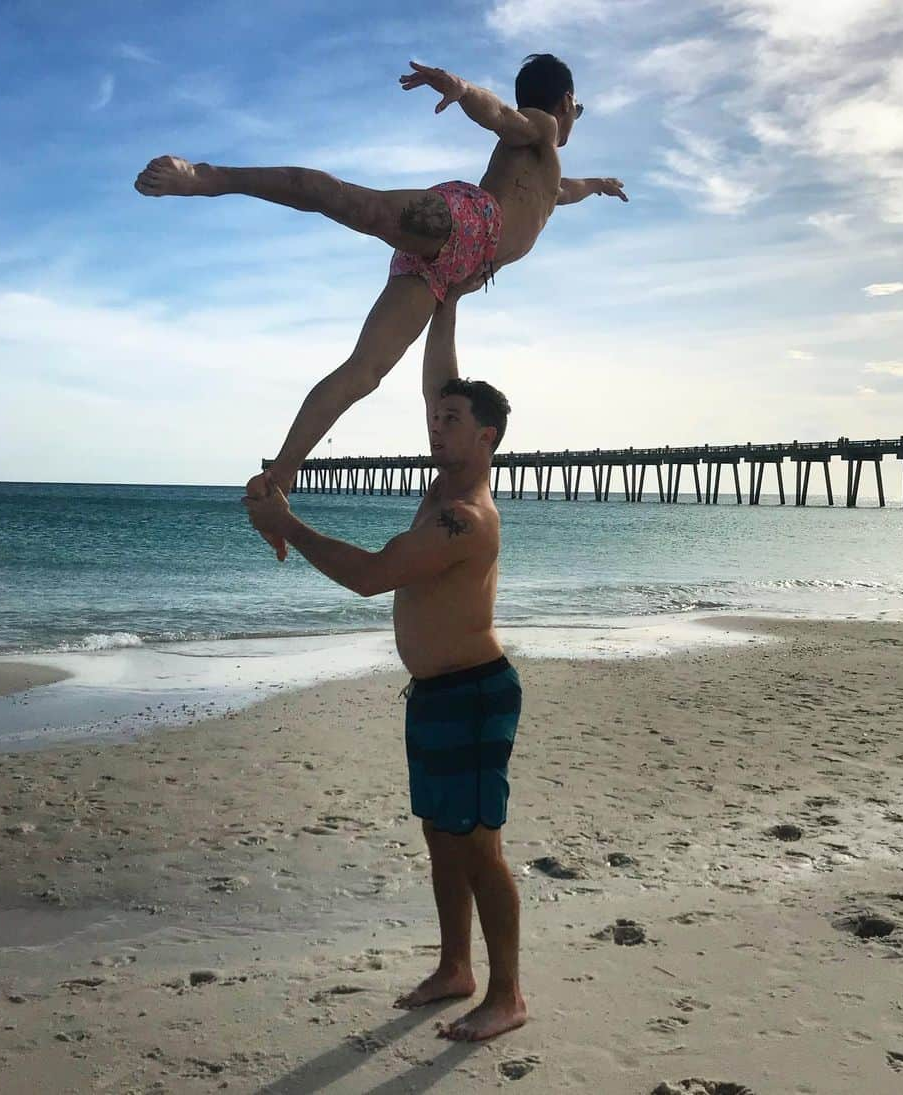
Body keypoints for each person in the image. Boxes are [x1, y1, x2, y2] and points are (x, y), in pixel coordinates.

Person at [136, 53, 627, 556]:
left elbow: (567, 190)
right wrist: (463, 90)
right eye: (578, 109)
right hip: (464, 223)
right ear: (566, 102)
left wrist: (601, 187)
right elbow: (503, 116)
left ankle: (280, 476)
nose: (573, 118)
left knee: (364, 372)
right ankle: (206, 176)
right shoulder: (542, 127)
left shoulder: (548, 173)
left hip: (447, 271)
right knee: (357, 204)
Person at [242, 281, 526, 1042]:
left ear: (487, 437)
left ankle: (507, 993)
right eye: (434, 418)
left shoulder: (463, 517)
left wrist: (286, 522)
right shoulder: (448, 474)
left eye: (452, 421)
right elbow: (440, 375)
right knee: (440, 834)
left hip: (474, 693)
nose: (435, 426)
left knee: (480, 847)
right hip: (435, 692)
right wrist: (447, 301)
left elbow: (371, 576)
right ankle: (454, 967)